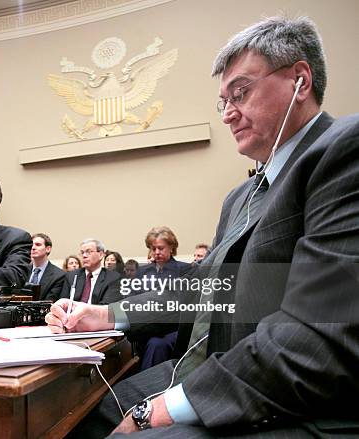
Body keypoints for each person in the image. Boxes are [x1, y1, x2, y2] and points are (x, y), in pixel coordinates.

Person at [46, 16, 359, 437]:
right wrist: (106, 314)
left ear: (299, 81)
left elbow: (314, 339)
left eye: (241, 93)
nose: (229, 114)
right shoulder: (241, 196)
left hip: (294, 402)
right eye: (223, 101)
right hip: (211, 371)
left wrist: (162, 409)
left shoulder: (342, 150)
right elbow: (200, 288)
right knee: (79, 415)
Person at [134, 227, 191, 371]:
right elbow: (133, 300)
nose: (156, 252)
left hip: (174, 328)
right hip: (146, 327)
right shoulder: (142, 272)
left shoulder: (185, 269)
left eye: (160, 248)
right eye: (153, 249)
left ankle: (148, 386)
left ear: (171, 247)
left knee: (156, 344)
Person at [59, 239, 122, 305]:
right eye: (82, 252)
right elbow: (63, 303)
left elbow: (108, 307)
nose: (84, 256)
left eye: (88, 252)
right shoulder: (72, 276)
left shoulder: (113, 278)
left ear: (100, 255)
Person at [27, 233, 65, 301]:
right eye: (31, 245)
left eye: (38, 245)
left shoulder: (59, 276)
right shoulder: (22, 271)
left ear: (48, 249)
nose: (33, 248)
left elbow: (50, 301)